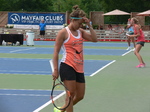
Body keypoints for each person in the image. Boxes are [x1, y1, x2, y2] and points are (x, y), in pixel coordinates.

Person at [52, 5, 97, 112]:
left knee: (80, 96)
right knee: (70, 94)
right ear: (72, 20)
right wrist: (55, 70)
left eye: (82, 23)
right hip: (67, 65)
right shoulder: (63, 32)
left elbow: (94, 39)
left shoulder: (80, 32)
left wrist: (89, 25)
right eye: (79, 23)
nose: (81, 25)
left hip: (79, 67)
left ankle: (62, 109)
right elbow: (56, 52)